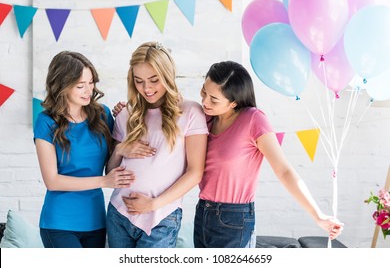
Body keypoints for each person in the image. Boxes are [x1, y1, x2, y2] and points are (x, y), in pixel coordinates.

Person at [193, 61, 343, 248]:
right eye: (203, 92)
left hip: (233, 219)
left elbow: (284, 171)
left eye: (214, 99)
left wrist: (318, 216)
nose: (205, 101)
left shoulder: (253, 119)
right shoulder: (204, 119)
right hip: (202, 213)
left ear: (234, 102)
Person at [106, 42, 208, 248]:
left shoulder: (190, 112)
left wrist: (153, 204)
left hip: (162, 216)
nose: (147, 88)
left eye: (154, 80)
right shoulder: (126, 114)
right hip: (119, 213)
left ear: (168, 76)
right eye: (139, 81)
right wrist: (119, 149)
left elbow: (195, 172)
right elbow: (110, 173)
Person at [34, 51, 135, 248]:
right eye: (80, 86)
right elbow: (52, 181)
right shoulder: (46, 122)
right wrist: (104, 181)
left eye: (91, 83)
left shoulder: (103, 114)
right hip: (59, 223)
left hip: (96, 221)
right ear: (62, 86)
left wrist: (127, 118)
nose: (88, 90)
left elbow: (112, 166)